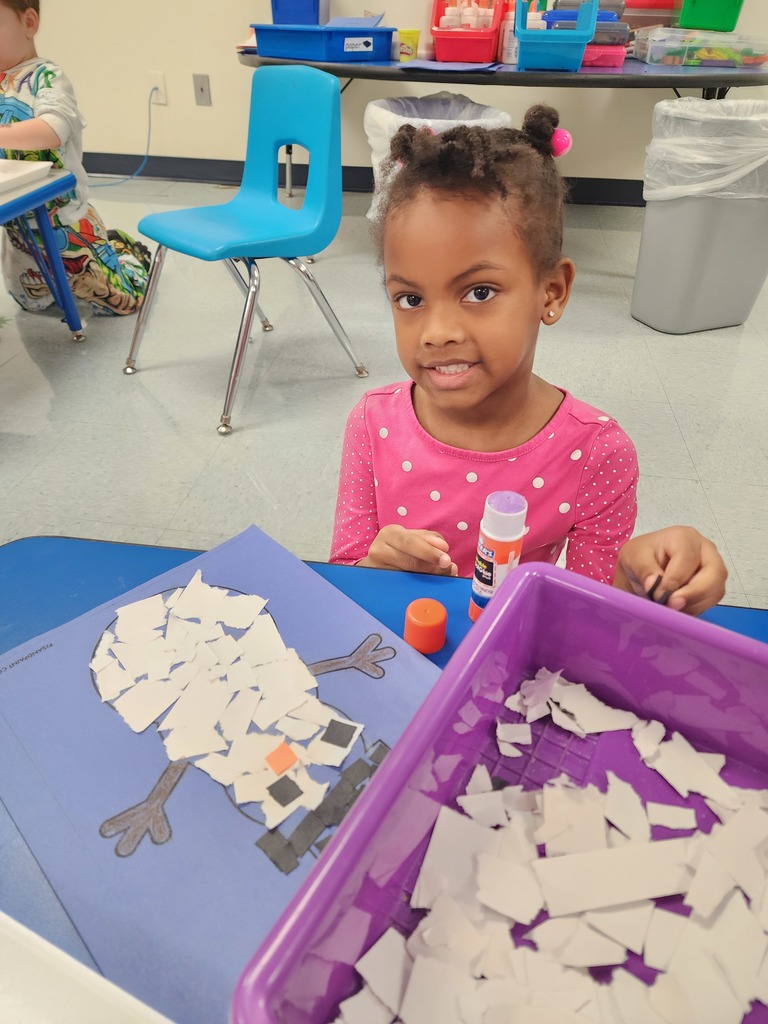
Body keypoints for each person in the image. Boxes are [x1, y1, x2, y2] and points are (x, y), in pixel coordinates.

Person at [330, 106, 727, 616]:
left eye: (479, 291)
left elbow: (588, 613)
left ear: (552, 292)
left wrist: (642, 580)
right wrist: (372, 572)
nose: (437, 333)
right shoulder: (372, 422)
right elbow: (343, 573)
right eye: (410, 299)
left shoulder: (596, 452)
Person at [0, 0, 150, 317]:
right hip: (18, 232)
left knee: (123, 303)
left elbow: (53, 128)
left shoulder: (47, 77)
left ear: (28, 22)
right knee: (31, 303)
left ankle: (124, 251)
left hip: (65, 222)